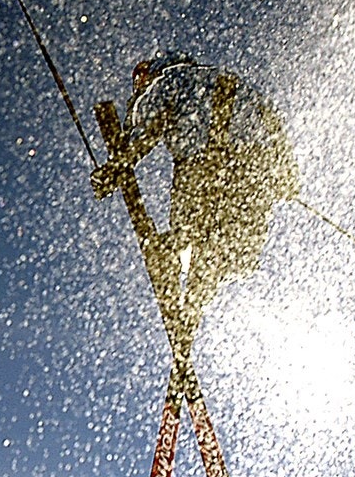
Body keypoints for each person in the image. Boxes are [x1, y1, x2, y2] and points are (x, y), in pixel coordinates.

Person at [92, 52, 298, 342]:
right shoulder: (225, 79)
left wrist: (116, 166)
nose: (139, 88)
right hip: (252, 167)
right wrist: (286, 173)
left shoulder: (168, 81)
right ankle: (193, 306)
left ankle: (173, 252)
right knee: (223, 245)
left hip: (204, 163)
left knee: (193, 224)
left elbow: (150, 129)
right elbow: (271, 120)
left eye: (139, 81)